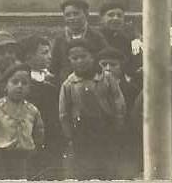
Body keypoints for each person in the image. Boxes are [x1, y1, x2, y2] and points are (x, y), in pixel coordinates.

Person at [59, 38, 127, 180]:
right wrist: (69, 135)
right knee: (85, 167)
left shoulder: (106, 78)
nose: (79, 61)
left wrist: (118, 122)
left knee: (107, 165)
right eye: (75, 58)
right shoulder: (69, 84)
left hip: (105, 127)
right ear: (69, 60)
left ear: (92, 57)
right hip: (82, 131)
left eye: (83, 56)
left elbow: (118, 100)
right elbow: (64, 112)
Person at [0, 62, 45, 179]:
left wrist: (32, 147)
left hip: (21, 158)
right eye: (15, 82)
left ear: (29, 88)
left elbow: (39, 131)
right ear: (5, 86)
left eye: (24, 83)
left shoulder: (32, 111)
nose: (20, 86)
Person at [18, 34, 63, 180]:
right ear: (29, 57)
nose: (49, 56)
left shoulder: (52, 79)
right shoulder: (25, 81)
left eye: (49, 52)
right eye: (44, 53)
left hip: (52, 132)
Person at [98, 46, 141, 178]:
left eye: (113, 64)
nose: (108, 68)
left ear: (121, 67)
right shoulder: (93, 87)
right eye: (104, 64)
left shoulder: (131, 89)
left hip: (125, 142)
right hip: (101, 142)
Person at [50, 0, 108, 84]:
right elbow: (55, 66)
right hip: (65, 84)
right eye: (68, 15)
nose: (72, 18)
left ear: (86, 14)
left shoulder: (97, 37)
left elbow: (104, 61)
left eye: (76, 14)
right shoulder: (60, 39)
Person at [98, 1, 140, 80]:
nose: (116, 18)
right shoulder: (95, 37)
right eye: (110, 15)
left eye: (119, 15)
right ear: (101, 18)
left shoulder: (128, 40)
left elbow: (133, 64)